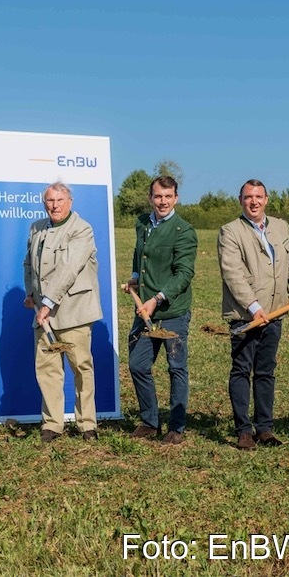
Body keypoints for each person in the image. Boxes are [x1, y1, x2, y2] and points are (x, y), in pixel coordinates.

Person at [218, 179, 289, 450]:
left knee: (266, 372)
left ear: (266, 199)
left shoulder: (280, 226)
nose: (253, 201)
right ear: (241, 200)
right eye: (248, 197)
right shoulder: (230, 232)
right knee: (242, 370)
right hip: (246, 317)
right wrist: (254, 308)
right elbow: (233, 273)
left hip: (276, 312)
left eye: (258, 196)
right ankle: (244, 431)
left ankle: (265, 429)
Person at [24, 182, 102, 443]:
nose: (54, 205)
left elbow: (69, 268)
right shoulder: (37, 228)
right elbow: (29, 263)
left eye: (59, 200)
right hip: (43, 312)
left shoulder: (82, 229)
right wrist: (30, 293)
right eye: (49, 201)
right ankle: (52, 424)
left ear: (70, 202)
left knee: (81, 367)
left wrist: (47, 303)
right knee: (47, 369)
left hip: (73, 311)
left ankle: (87, 423)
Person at [123, 175, 198, 445]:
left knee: (176, 366)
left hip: (172, 310)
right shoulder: (143, 223)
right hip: (145, 310)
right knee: (138, 365)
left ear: (176, 198)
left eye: (168, 196)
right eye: (158, 196)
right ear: (150, 198)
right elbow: (138, 253)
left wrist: (157, 298)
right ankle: (150, 421)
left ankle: (176, 427)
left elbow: (184, 273)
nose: (162, 201)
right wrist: (134, 276)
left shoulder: (184, 231)